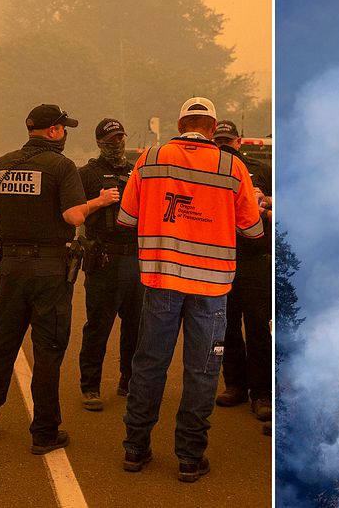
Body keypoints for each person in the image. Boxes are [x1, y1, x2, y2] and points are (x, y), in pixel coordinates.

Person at [118, 97, 264, 482]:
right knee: (201, 371)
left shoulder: (150, 158)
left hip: (161, 280)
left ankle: (135, 449)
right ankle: (189, 457)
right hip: (212, 287)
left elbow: (126, 217)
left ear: (180, 123)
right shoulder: (232, 165)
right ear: (213, 129)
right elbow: (253, 230)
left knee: (149, 364)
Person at [0, 103, 116, 455]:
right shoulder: (61, 167)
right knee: (47, 352)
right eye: (64, 129)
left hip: (12, 271)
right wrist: (95, 203)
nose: (65, 134)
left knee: (2, 345)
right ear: (53, 132)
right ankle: (44, 433)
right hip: (50, 273)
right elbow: (72, 215)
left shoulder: (2, 164)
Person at [77, 118, 144, 411]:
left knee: (136, 326)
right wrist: (99, 202)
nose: (117, 144)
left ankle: (128, 380)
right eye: (110, 140)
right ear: (99, 143)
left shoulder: (137, 171)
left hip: (136, 258)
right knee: (98, 326)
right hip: (104, 259)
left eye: (120, 138)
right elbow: (72, 213)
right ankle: (90, 386)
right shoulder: (86, 175)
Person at [211, 120, 274, 426]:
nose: (224, 146)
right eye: (219, 141)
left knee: (260, 327)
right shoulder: (208, 169)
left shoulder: (262, 168)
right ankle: (235, 383)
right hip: (222, 257)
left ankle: (263, 393)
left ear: (238, 142)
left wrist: (266, 203)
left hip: (256, 257)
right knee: (226, 327)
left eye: (228, 141)